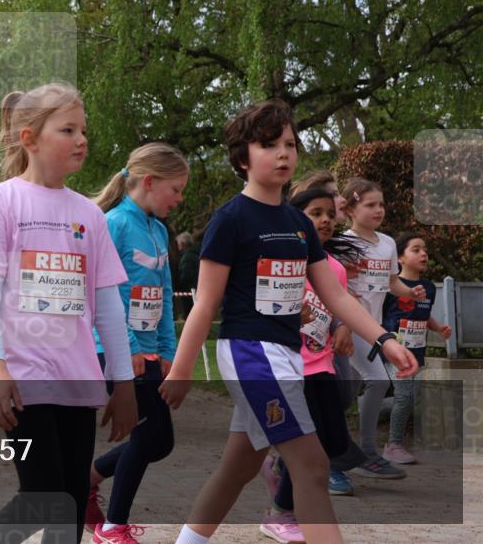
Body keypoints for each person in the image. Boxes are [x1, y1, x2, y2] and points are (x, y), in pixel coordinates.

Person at [159, 100, 418, 544]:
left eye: (290, 144)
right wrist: (182, 370)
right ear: (243, 158)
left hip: (286, 357)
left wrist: (384, 339)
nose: (283, 153)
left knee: (239, 465)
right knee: (313, 466)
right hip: (251, 355)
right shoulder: (230, 220)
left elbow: (336, 294)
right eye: (268, 144)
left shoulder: (298, 223)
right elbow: (204, 304)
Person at [0, 83, 137, 543]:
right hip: (23, 380)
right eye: (67, 129)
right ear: (29, 139)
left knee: (72, 501)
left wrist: (123, 383)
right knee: (42, 493)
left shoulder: (90, 215)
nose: (81, 139)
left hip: (78, 380)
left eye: (84, 130)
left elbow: (109, 308)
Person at [85, 143, 189, 544]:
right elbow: (105, 293)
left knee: (159, 440)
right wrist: (126, 348)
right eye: (176, 190)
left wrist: (166, 351)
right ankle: (112, 527)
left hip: (149, 351)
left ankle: (88, 480)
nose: (179, 200)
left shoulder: (159, 230)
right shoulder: (113, 223)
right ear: (149, 182)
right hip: (114, 348)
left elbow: (164, 295)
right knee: (151, 435)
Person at [254, 187, 365, 542]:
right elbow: (256, 308)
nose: (325, 220)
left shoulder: (332, 267)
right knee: (312, 448)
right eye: (316, 213)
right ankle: (280, 512)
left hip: (323, 365)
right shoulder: (281, 259)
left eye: (330, 214)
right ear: (295, 218)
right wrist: (287, 314)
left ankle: (280, 464)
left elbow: (337, 306)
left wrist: (345, 327)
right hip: (289, 366)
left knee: (334, 443)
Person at [342, 177, 426, 477]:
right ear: (351, 208)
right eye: (370, 205)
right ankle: (366, 452)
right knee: (378, 381)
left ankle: (319, 449)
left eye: (381, 204)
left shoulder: (388, 243)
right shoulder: (345, 243)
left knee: (342, 395)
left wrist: (409, 292)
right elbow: (336, 286)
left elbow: (391, 283)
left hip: (373, 329)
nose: (379, 210)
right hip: (349, 328)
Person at [381, 232, 451, 465]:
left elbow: (424, 314)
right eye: (416, 249)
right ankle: (394, 445)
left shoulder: (428, 287)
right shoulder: (390, 286)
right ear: (399, 258)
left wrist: (439, 327)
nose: (424, 254)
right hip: (394, 351)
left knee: (410, 398)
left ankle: (369, 405)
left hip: (417, 353)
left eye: (425, 250)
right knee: (404, 396)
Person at [176, 232, 199, 320]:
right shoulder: (196, 253)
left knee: (189, 315)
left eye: (178, 244)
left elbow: (186, 275)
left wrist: (179, 286)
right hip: (196, 290)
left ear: (182, 244)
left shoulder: (187, 257)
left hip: (189, 291)